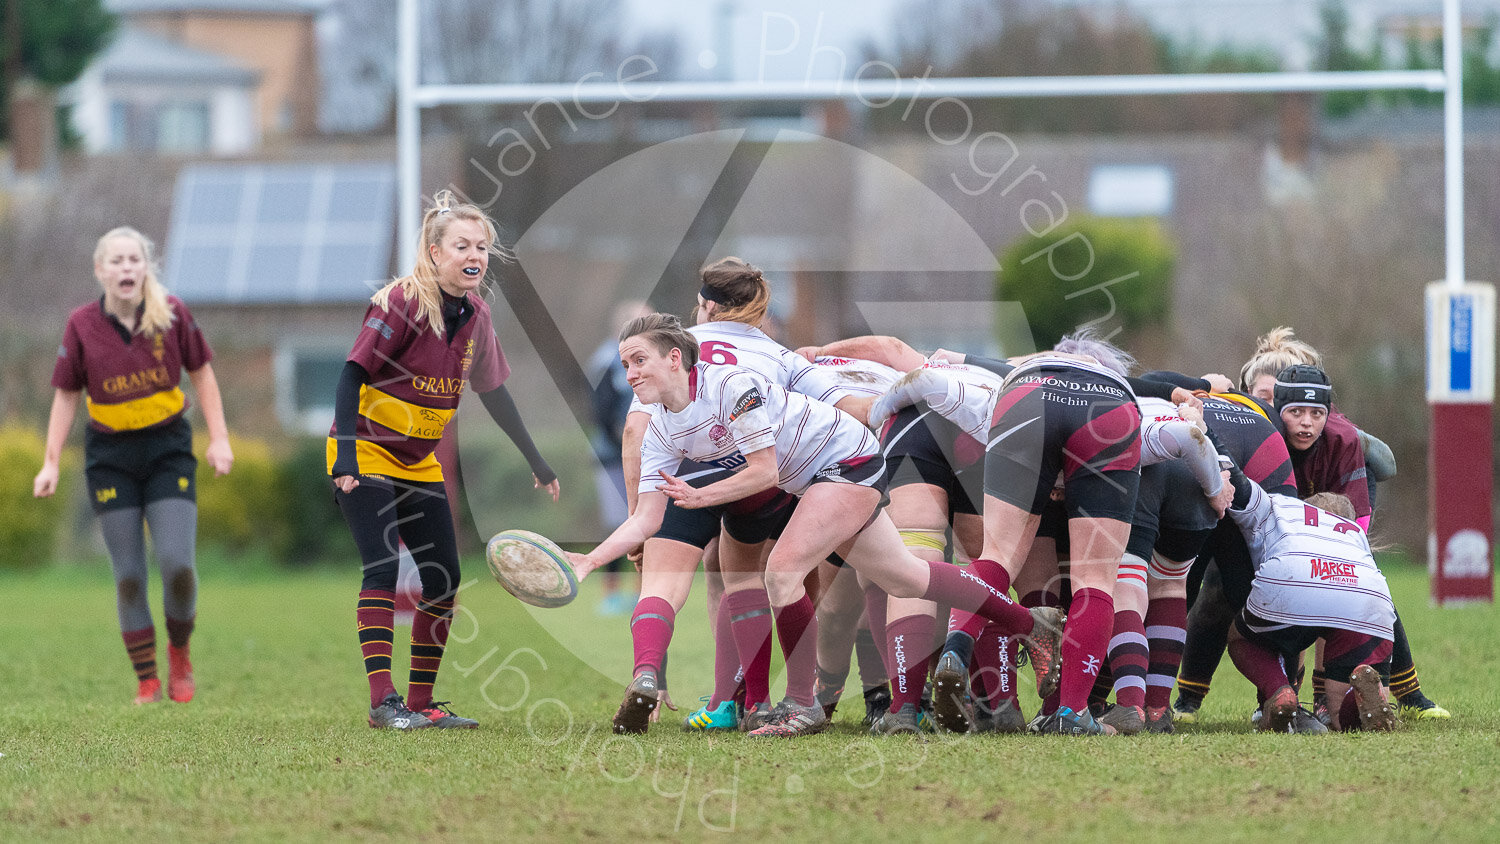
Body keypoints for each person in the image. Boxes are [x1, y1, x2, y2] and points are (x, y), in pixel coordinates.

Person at [569, 313, 1065, 738]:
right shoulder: (661, 426)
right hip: (817, 477)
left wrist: (701, 496)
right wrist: (590, 559)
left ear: (675, 358)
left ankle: (803, 705)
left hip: (848, 461)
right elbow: (647, 518)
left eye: (639, 360)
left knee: (782, 570)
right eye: (625, 362)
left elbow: (763, 472)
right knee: (906, 577)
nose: (629, 372)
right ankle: (1033, 625)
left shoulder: (731, 387)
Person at [329, 191, 559, 730]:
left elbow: (494, 392)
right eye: (461, 245)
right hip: (365, 448)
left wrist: (536, 458)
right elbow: (350, 374)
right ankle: (383, 703)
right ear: (434, 252)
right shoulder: (400, 302)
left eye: (481, 246)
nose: (473, 254)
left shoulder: (477, 315)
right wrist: (343, 455)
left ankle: (420, 703)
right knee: (383, 567)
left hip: (415, 460)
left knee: (444, 579)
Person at [33, 226, 234, 705]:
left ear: (146, 268)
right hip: (111, 459)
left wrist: (220, 438)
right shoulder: (81, 325)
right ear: (101, 270)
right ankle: (147, 679)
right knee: (128, 574)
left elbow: (202, 375)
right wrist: (50, 462)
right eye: (117, 261)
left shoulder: (173, 315)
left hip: (168, 451)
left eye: (134, 260)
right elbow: (66, 395)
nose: (127, 268)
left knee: (177, 565)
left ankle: (180, 652)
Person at [1217, 459, 1399, 733]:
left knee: (1240, 637)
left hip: (1295, 576)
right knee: (1339, 719)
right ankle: (1360, 698)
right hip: (1367, 592)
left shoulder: (1282, 505)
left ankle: (1279, 691)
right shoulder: (1356, 533)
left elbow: (1240, 484)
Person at [588, 300, 651, 616]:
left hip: (650, 455)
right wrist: (628, 445)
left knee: (646, 524)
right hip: (613, 456)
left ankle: (643, 594)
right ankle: (610, 594)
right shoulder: (606, 360)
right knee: (618, 523)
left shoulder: (654, 359)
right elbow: (600, 412)